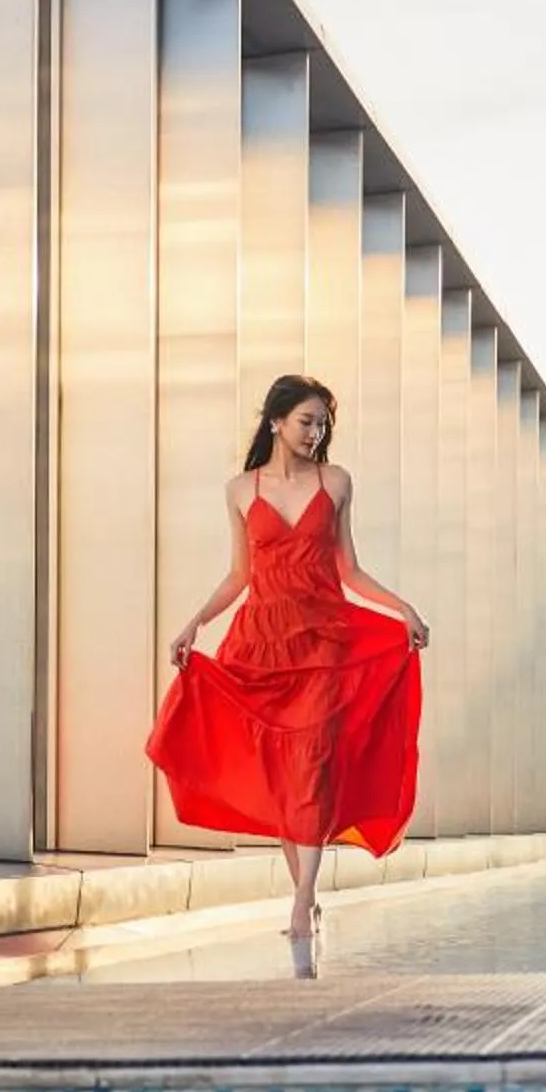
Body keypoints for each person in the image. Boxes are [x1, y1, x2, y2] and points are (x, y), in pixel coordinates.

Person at [149, 374, 429, 966]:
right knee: (281, 772)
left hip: (326, 640)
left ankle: (302, 898)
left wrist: (400, 608)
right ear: (276, 421)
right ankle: (307, 891)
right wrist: (194, 623)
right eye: (306, 421)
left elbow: (349, 570)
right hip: (262, 642)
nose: (316, 433)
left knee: (314, 765)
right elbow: (240, 576)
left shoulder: (337, 482)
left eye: (323, 423)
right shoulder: (239, 490)